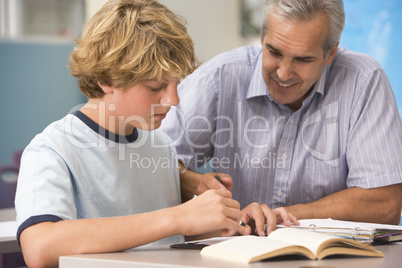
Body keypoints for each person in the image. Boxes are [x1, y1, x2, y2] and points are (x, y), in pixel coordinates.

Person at [15, 1, 300, 267]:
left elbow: (162, 241)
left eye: (176, 84)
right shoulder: (53, 149)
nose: (174, 100)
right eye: (155, 87)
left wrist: (230, 222)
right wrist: (177, 218)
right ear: (106, 80)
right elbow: (39, 247)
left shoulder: (159, 145)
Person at [160, 0, 402, 225]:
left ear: (330, 53)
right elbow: (153, 164)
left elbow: (386, 205)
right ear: (262, 38)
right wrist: (196, 184)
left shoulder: (363, 80)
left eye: (303, 59)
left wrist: (281, 217)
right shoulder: (221, 77)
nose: (284, 74)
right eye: (274, 52)